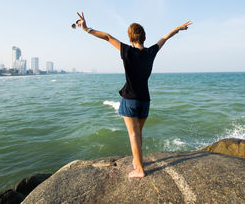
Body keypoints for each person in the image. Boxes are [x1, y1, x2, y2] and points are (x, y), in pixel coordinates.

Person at [76, 12, 192, 178]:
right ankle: (138, 162)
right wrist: (178, 28)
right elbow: (165, 38)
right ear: (144, 37)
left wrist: (86, 29)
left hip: (130, 99)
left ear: (130, 38)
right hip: (145, 101)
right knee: (138, 134)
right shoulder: (151, 52)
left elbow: (108, 37)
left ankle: (139, 169)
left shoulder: (127, 51)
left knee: (133, 134)